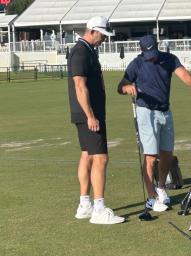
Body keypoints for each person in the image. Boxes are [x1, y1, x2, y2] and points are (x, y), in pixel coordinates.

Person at [117, 35, 191, 212]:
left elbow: (182, 73)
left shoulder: (169, 59)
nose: (153, 58)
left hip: (165, 111)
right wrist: (127, 88)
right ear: (142, 51)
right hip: (146, 111)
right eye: (149, 55)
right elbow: (121, 85)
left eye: (154, 53)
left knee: (167, 154)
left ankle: (161, 188)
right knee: (150, 156)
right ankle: (151, 198)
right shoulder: (137, 64)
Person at [67, 16, 124, 224]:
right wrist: (91, 115)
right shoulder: (81, 51)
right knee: (101, 158)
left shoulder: (87, 50)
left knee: (88, 156)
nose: (104, 40)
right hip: (88, 114)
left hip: (87, 113)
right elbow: (80, 86)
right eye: (102, 35)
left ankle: (84, 205)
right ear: (92, 31)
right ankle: (99, 209)